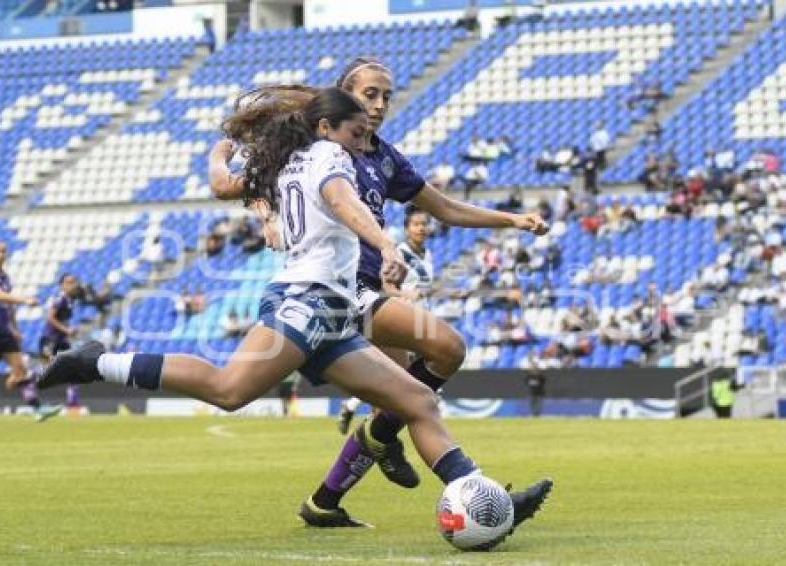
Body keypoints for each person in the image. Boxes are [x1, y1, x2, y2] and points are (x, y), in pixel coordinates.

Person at [40, 87, 550, 539]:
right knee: (229, 390)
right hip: (305, 301)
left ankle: (481, 496)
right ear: (328, 127)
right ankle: (95, 362)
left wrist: (219, 154)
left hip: (333, 313)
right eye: (354, 130)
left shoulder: (290, 160)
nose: (361, 139)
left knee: (416, 399)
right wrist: (383, 242)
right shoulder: (331, 156)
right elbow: (342, 200)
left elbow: (223, 185)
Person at [208, 60, 549, 528]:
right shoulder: (317, 149)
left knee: (407, 400)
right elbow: (256, 183)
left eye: (386, 96)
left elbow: (444, 207)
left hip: (363, 291)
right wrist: (266, 214)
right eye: (369, 94)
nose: (379, 105)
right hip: (342, 293)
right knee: (446, 347)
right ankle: (453, 479)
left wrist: (510, 220)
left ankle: (330, 497)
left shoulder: (385, 158)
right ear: (344, 96)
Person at [337, 206, 434, 435]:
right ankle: (384, 421)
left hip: (421, 318)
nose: (421, 228)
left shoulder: (427, 254)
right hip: (400, 319)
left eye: (424, 224)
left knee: (401, 373)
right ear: (407, 228)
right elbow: (385, 287)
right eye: (416, 224)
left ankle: (358, 408)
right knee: (402, 372)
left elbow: (422, 287)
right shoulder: (398, 253)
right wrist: (405, 295)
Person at [0, 241, 60, 421]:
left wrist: (14, 328)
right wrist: (25, 300)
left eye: (3, 251)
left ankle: (37, 409)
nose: (0, 254)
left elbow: (7, 306)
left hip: (4, 332)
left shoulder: (5, 278)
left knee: (20, 370)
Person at [37, 272, 82, 412]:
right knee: (46, 371)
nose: (72, 285)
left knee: (73, 368)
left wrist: (68, 330)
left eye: (74, 281)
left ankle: (73, 401)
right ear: (62, 285)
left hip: (61, 340)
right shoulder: (60, 299)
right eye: (69, 282)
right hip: (49, 339)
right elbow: (50, 317)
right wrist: (67, 330)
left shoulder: (70, 300)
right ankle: (33, 397)